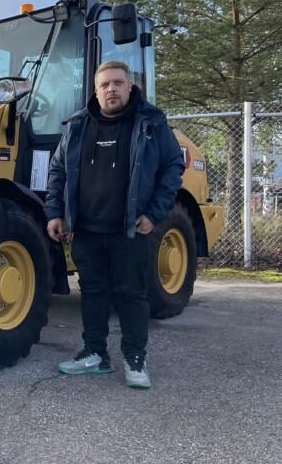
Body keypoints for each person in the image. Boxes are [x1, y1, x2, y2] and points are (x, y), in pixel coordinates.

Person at [44, 60, 184, 389]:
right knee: (92, 292)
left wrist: (154, 214)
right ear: (95, 90)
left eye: (118, 83)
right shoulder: (77, 125)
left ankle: (135, 358)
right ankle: (94, 354)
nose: (112, 89)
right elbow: (58, 171)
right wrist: (55, 212)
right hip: (86, 230)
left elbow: (172, 167)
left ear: (129, 87)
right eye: (105, 84)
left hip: (130, 230)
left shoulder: (151, 122)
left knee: (131, 294)